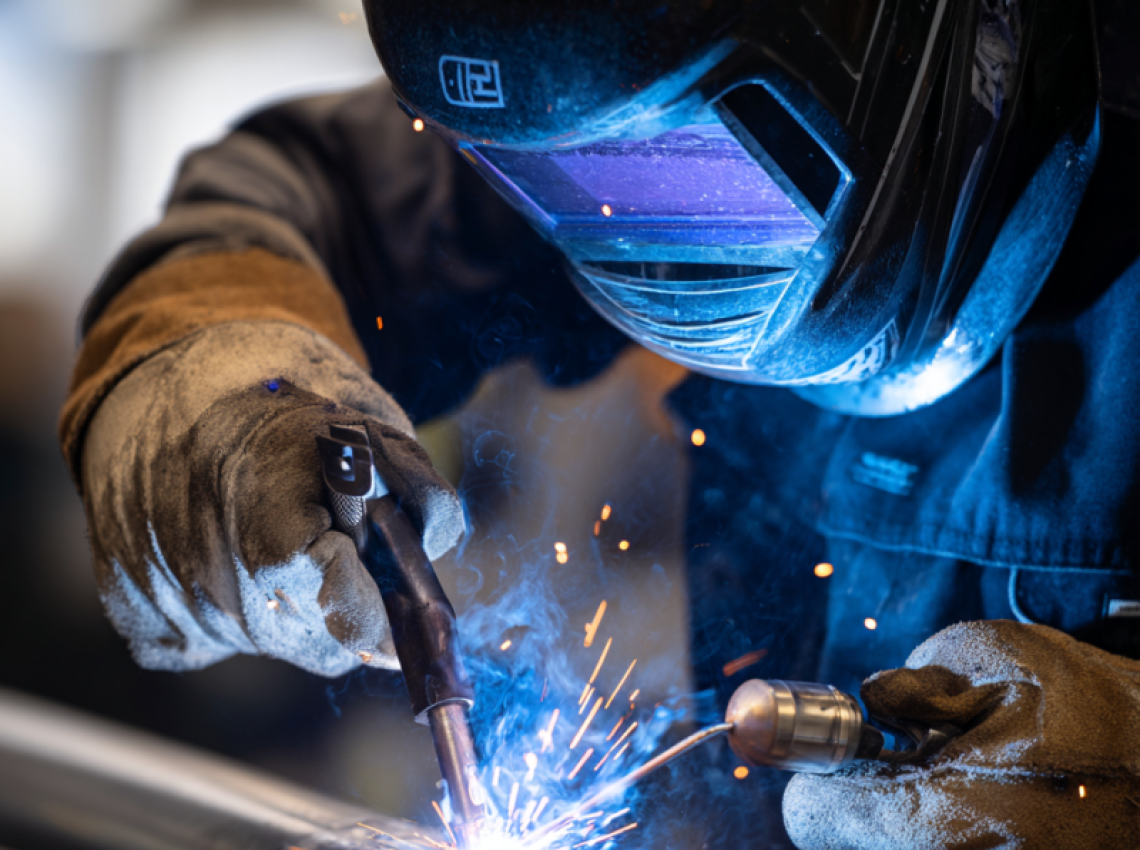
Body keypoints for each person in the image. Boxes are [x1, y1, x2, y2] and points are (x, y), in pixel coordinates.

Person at [60, 0, 1139, 846]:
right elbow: (302, 188)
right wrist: (219, 404)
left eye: (719, 176)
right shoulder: (605, 91)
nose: (665, 258)